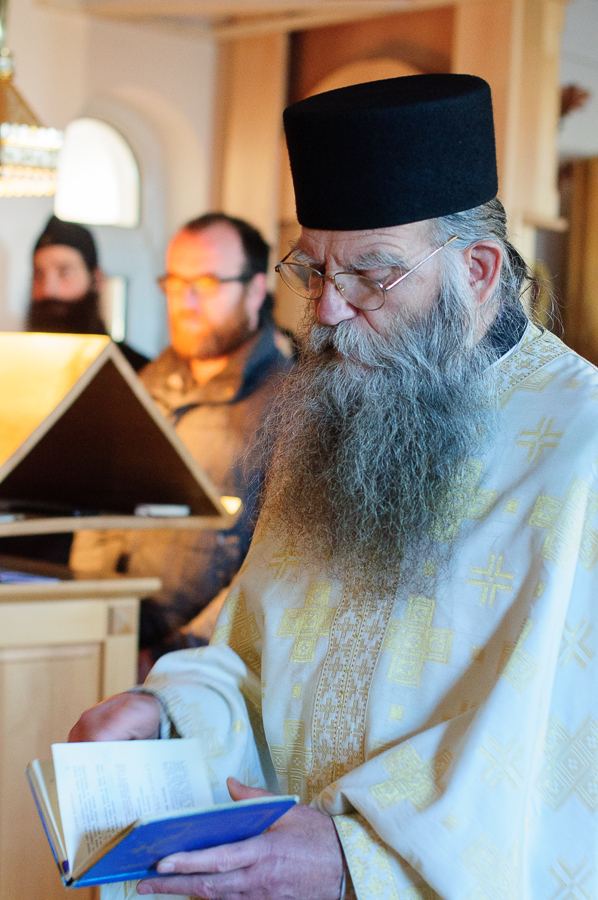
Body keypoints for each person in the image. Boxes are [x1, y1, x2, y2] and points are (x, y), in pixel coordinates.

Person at [69, 74, 598, 900]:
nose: (327, 312)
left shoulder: (581, 447)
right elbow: (256, 656)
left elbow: (561, 752)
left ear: (479, 269)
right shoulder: (340, 411)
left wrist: (358, 862)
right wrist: (165, 711)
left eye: (370, 275)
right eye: (313, 271)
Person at [71, 213, 293, 662]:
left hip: (192, 667)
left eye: (206, 284)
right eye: (175, 283)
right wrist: (86, 621)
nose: (185, 301)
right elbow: (97, 516)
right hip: (97, 644)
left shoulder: (290, 408)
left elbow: (274, 565)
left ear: (254, 290)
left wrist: (177, 656)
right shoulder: (140, 387)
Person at [28, 215, 149, 371]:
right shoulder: (14, 367)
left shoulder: (136, 371)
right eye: (39, 275)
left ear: (96, 280)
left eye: (64, 273)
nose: (48, 290)